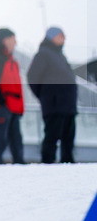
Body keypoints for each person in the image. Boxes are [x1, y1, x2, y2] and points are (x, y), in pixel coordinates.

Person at [27, 27, 77, 163]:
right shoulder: (44, 54)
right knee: (52, 137)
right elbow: (32, 77)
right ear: (52, 37)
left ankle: (68, 165)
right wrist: (46, 97)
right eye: (61, 35)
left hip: (68, 107)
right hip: (55, 106)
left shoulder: (60, 56)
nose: (64, 38)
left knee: (68, 139)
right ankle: (47, 165)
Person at [0, 27, 24, 164]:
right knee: (0, 138)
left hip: (10, 105)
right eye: (13, 39)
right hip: (1, 106)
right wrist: (1, 101)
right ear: (5, 40)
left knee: (15, 138)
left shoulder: (7, 58)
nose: (16, 43)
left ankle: (18, 163)